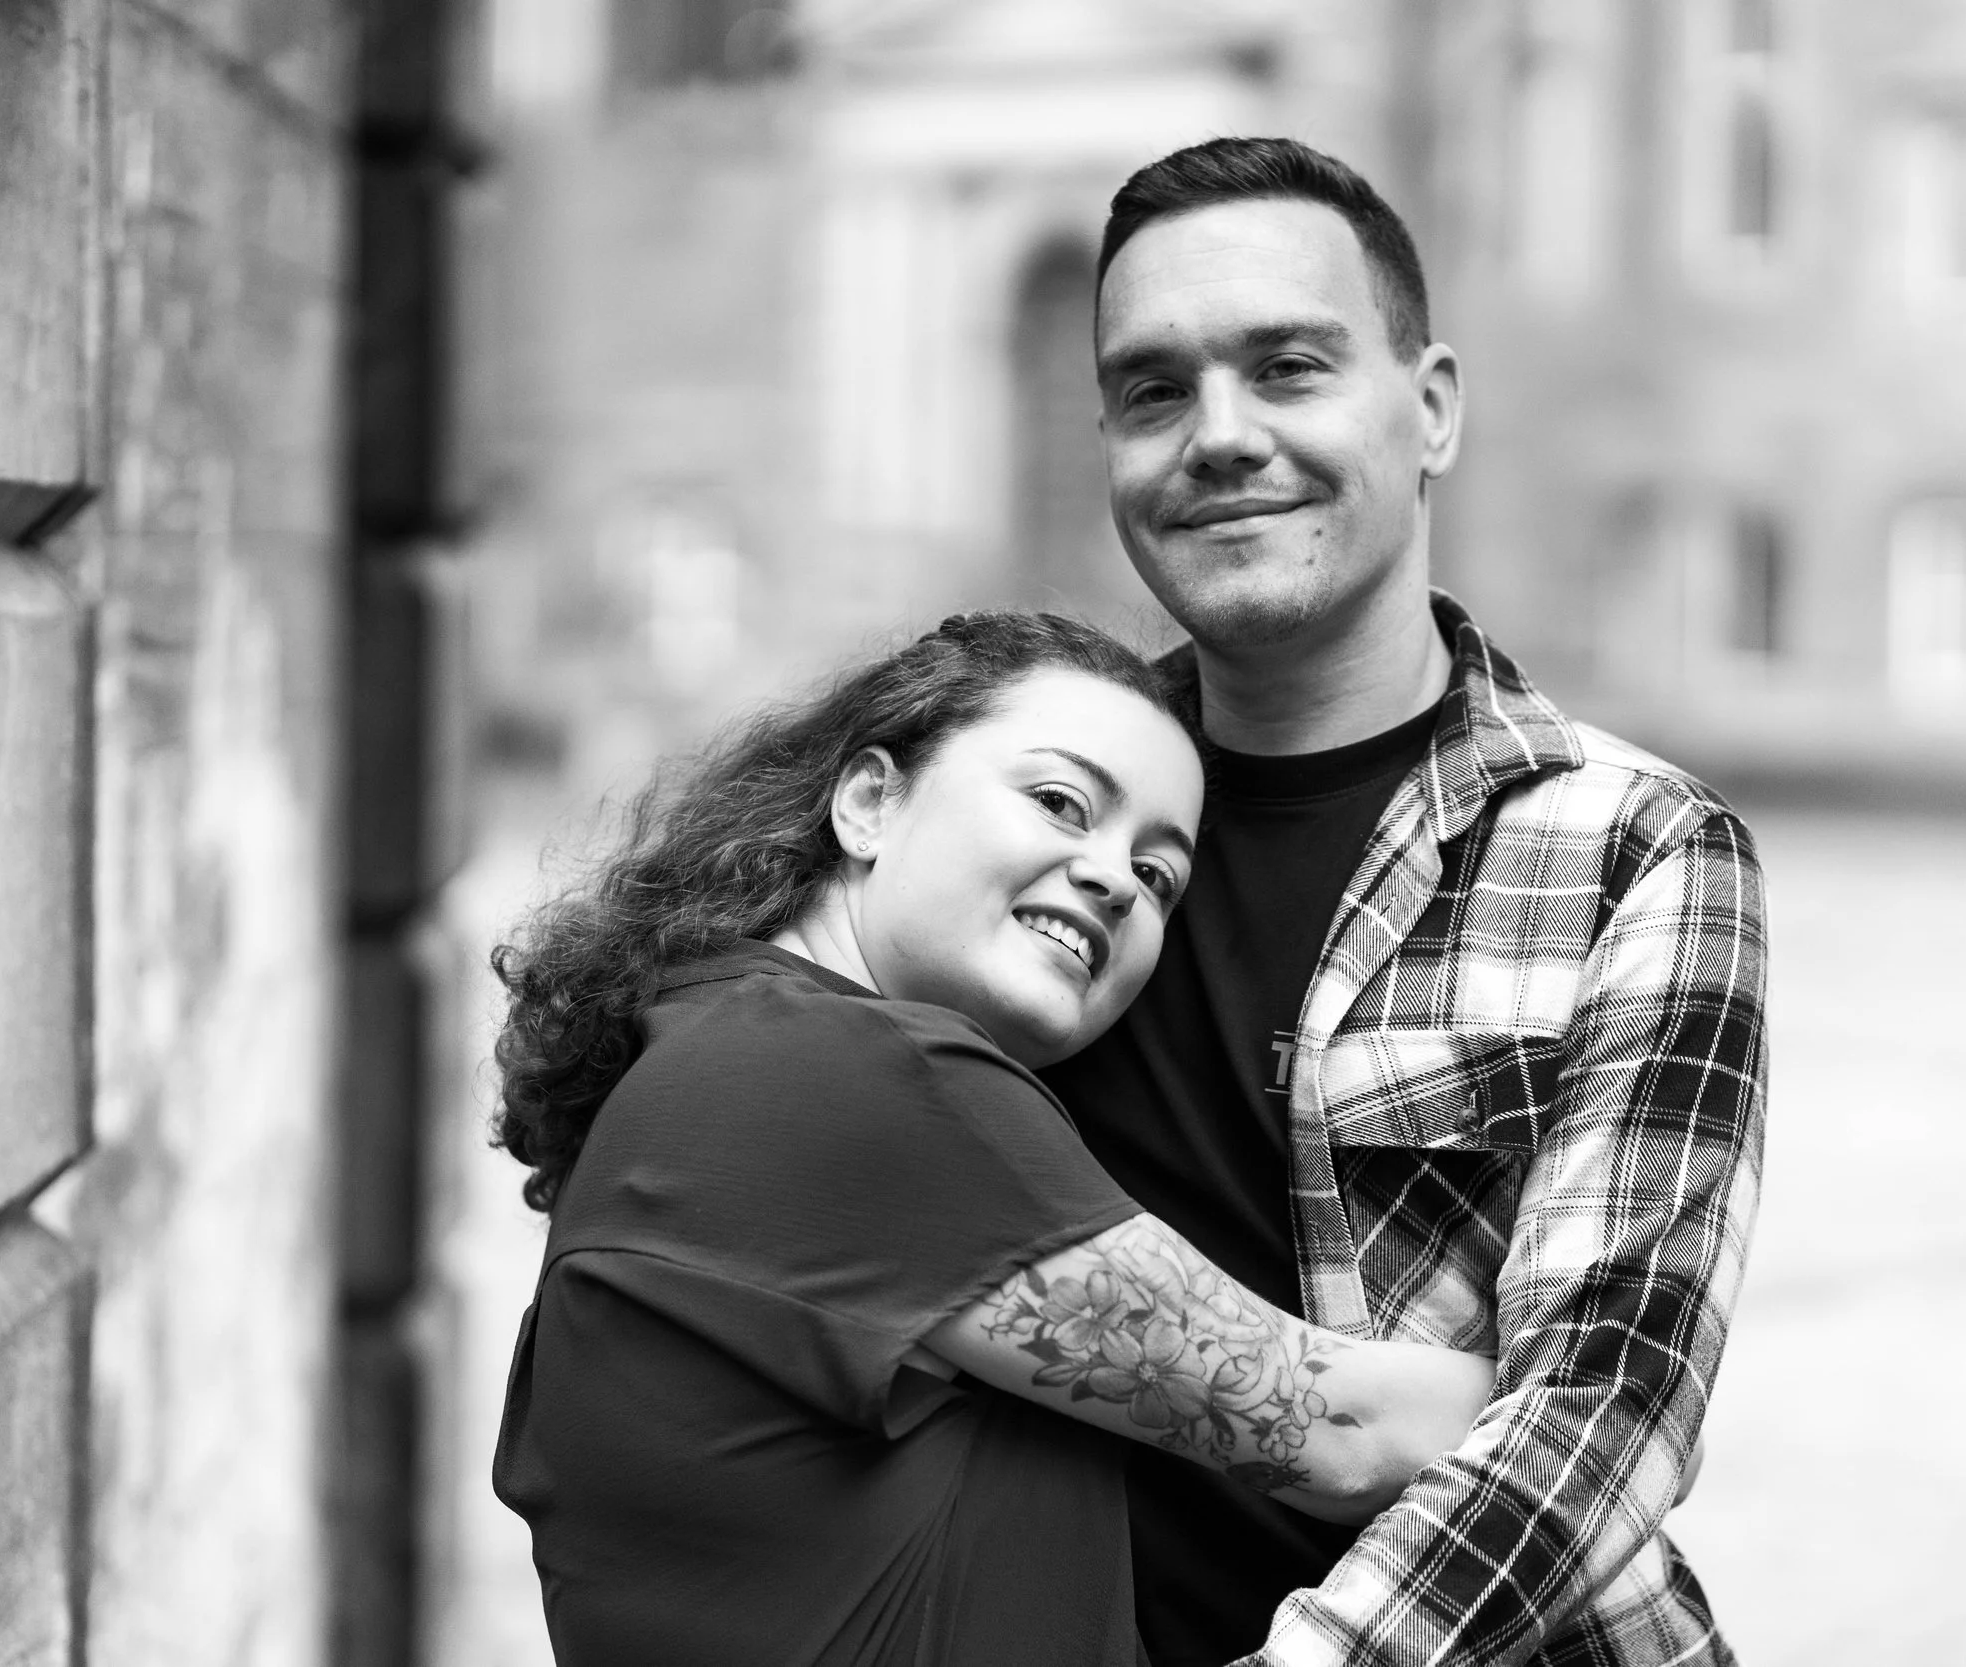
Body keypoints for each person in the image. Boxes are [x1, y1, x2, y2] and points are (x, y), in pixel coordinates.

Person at [1036, 138, 1768, 1666]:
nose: (1219, 437)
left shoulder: (1633, 843)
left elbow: (1604, 1415)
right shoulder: (1026, 820)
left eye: (1289, 368)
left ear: (1431, 407)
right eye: (1155, 391)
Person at [487, 612, 1496, 1667]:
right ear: (871, 800)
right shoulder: (857, 1076)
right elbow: (1343, 1432)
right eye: (1060, 801)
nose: (1113, 876)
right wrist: (1618, 1365)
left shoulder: (708, 1048)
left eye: (1159, 875)